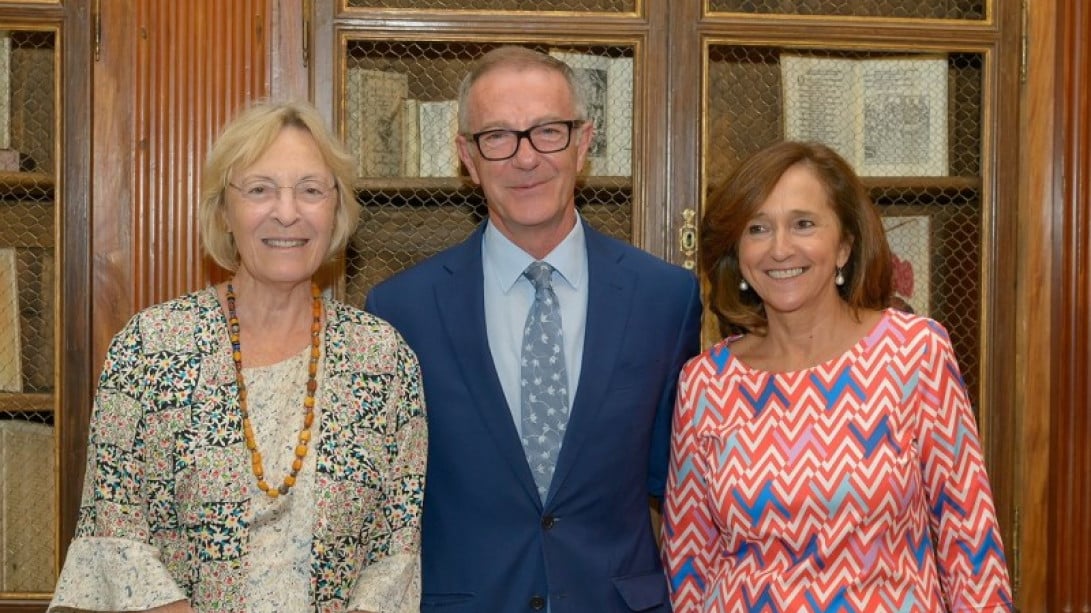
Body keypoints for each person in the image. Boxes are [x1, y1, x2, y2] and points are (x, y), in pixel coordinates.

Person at [49, 100, 426, 613]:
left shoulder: (383, 360)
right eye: (259, 189)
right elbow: (115, 531)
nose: (287, 212)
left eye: (311, 190)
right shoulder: (151, 346)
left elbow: (395, 550)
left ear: (336, 210)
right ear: (224, 211)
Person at [365, 45, 702, 612]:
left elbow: (682, 487)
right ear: (466, 157)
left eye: (548, 131)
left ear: (584, 142)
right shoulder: (401, 310)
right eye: (498, 136)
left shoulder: (664, 299)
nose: (526, 159)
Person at [661, 140, 1014, 612]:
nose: (780, 248)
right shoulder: (705, 382)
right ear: (738, 251)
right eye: (758, 228)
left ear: (844, 245)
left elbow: (969, 539)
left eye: (803, 224)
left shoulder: (915, 352)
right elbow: (688, 559)